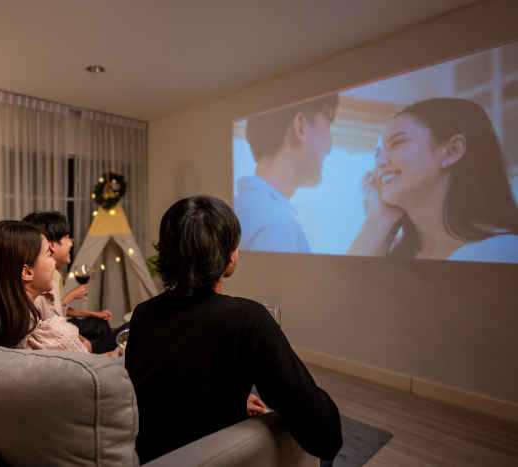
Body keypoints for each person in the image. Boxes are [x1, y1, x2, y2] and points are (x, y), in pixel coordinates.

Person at [125, 196, 342, 465]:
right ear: (228, 258)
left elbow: (166, 395)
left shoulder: (143, 314)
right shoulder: (248, 319)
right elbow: (323, 433)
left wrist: (235, 400)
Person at [349, 98, 518, 263]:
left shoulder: (503, 252)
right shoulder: (392, 252)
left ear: (453, 150)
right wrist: (380, 219)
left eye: (397, 143)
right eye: (377, 154)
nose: (380, 162)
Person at [0, 220, 121, 357]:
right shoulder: (50, 336)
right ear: (27, 272)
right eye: (49, 254)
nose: (53, 263)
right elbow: (89, 368)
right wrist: (113, 357)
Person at [235, 94, 339, 253]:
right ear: (301, 126)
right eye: (328, 124)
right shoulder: (277, 223)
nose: (330, 147)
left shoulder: (241, 207)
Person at [23, 211, 128, 353]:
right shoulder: (44, 282)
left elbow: (55, 316)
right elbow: (54, 319)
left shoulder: (49, 280)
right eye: (66, 237)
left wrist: (91, 315)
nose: (71, 243)